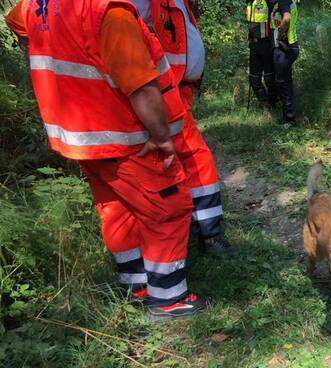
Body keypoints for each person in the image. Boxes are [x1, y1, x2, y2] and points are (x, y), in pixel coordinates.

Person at [5, 0, 207, 321]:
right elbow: (141, 86)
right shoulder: (110, 12)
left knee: (116, 209)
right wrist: (162, 137)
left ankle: (135, 285)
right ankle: (168, 298)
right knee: (167, 208)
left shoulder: (38, 3)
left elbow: (17, 23)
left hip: (80, 138)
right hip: (125, 137)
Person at [129, 0, 239, 257]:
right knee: (194, 158)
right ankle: (206, 234)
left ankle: (196, 230)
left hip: (177, 87)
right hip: (162, 89)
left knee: (189, 158)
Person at [270, 0, 299, 126]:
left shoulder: (283, 1)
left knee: (283, 83)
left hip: (285, 47)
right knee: (285, 81)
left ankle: (289, 119)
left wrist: (280, 33)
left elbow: (286, 18)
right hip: (289, 46)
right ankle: (289, 117)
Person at [246, 0, 278, 107]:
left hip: (266, 44)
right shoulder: (249, 2)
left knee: (270, 79)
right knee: (254, 80)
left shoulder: (268, 2)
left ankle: (272, 103)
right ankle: (264, 103)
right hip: (253, 45)